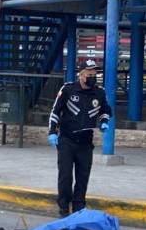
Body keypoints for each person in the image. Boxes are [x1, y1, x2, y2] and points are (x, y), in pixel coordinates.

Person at [48, 59, 112, 217]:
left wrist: (104, 122)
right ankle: (64, 207)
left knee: (83, 177)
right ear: (81, 75)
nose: (93, 77)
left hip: (85, 142)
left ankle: (79, 207)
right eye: (89, 75)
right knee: (65, 176)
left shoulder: (99, 92)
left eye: (94, 74)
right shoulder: (68, 89)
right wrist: (52, 132)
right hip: (67, 140)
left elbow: (105, 111)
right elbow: (55, 111)